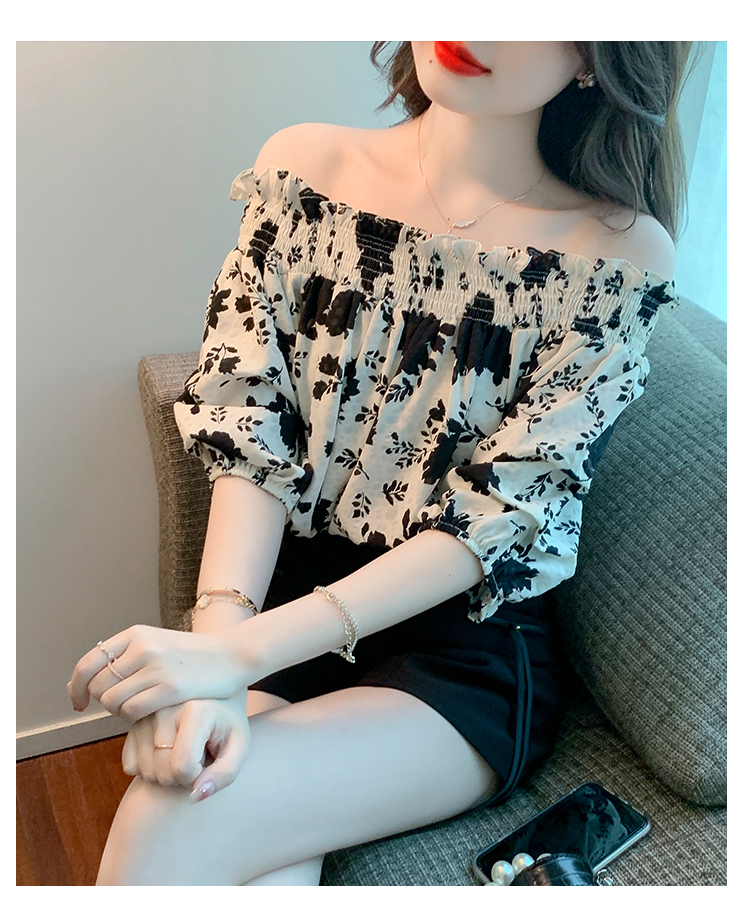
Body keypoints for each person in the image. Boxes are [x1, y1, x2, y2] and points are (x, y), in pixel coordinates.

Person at [68, 41, 693, 886]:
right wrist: (217, 647)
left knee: (176, 808)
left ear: (597, 54)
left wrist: (231, 663)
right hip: (277, 613)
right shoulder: (305, 170)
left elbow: (498, 517)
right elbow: (250, 425)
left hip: (460, 649)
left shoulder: (614, 254)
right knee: (205, 801)